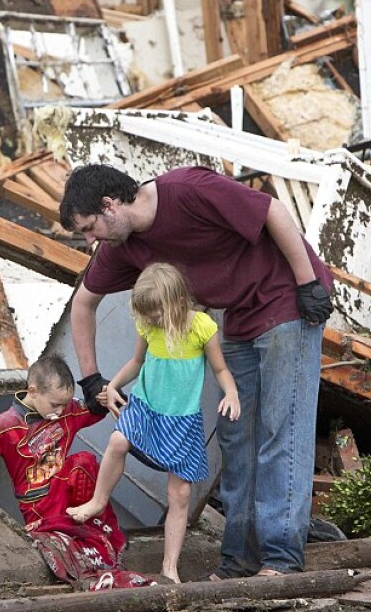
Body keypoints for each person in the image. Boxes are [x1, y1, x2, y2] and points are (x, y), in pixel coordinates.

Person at [59, 164, 335, 579]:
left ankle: (281, 559)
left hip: (286, 301)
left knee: (282, 428)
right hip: (239, 316)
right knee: (236, 435)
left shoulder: (188, 190)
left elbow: (273, 211)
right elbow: (84, 303)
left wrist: (307, 284)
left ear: (109, 205)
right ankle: (239, 559)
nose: (90, 239)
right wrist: (91, 379)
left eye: (89, 227)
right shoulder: (123, 247)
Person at [67, 263, 241, 584]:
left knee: (181, 493)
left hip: (182, 421)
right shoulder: (149, 327)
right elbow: (136, 363)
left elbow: (220, 370)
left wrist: (230, 393)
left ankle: (169, 566)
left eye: (154, 314)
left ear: (176, 302)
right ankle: (98, 499)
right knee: (118, 441)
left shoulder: (202, 327)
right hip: (147, 407)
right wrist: (113, 386)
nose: (149, 321)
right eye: (145, 316)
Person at [0, 355, 154, 591]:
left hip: (68, 494)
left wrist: (102, 400)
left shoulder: (66, 411)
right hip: (37, 502)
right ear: (32, 391)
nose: (60, 411)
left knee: (84, 461)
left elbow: (88, 411)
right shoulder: (3, 425)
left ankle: (92, 529)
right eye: (54, 405)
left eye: (64, 405)